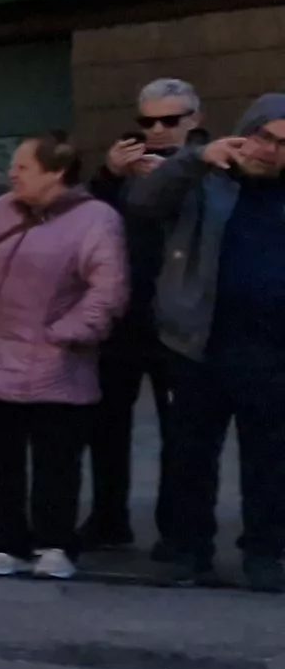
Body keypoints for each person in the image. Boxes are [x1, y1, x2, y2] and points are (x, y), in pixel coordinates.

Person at [0, 136, 129, 579]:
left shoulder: (96, 219)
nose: (12, 173)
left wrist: (64, 334)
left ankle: (54, 546)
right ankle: (7, 544)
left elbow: (108, 289)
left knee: (55, 462)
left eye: (23, 167)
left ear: (55, 172)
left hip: (54, 364)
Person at [136, 93, 285, 591]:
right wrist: (194, 158)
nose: (271, 151)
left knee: (270, 460)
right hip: (199, 340)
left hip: (271, 348)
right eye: (265, 137)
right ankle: (186, 550)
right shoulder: (206, 182)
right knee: (189, 454)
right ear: (244, 133)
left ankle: (265, 554)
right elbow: (143, 201)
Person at [82, 79, 198, 548]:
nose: (157, 130)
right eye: (147, 121)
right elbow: (88, 222)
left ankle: (177, 525)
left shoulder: (212, 165)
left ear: (194, 120)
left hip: (181, 318)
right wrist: (110, 175)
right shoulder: (125, 170)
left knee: (183, 433)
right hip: (124, 318)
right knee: (107, 426)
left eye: (170, 121)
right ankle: (109, 517)